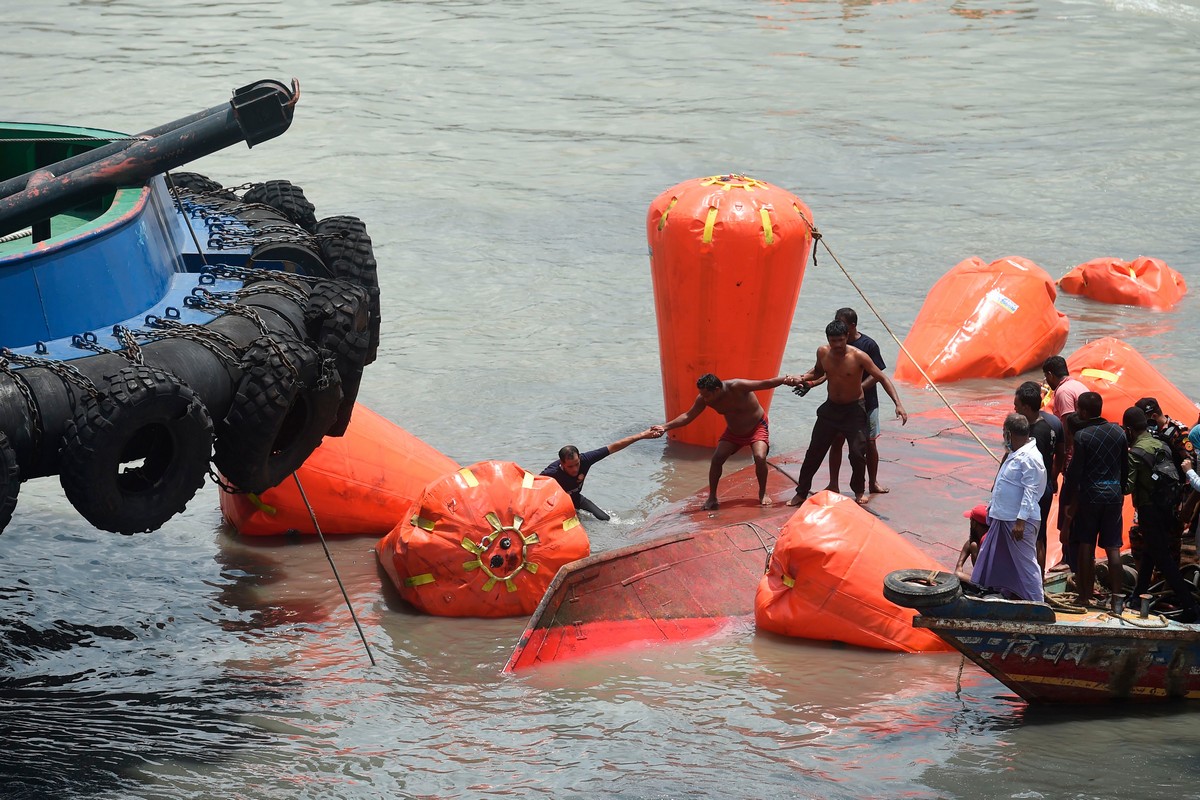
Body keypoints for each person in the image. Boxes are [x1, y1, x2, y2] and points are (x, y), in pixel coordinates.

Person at [787, 319, 908, 507]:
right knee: (813, 453)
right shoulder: (822, 352)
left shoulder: (859, 356)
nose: (837, 345)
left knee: (858, 453)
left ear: (847, 338)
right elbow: (818, 372)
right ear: (828, 339)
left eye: (841, 340)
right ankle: (801, 492)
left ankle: (859, 491)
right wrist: (802, 378)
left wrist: (898, 404)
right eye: (833, 341)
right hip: (831, 409)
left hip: (854, 410)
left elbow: (882, 377)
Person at [654, 373, 794, 510]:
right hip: (734, 432)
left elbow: (766, 383)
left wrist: (787, 379)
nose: (704, 398)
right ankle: (712, 497)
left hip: (757, 427)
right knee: (717, 459)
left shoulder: (737, 386)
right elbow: (688, 416)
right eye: (702, 394)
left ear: (717, 390)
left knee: (759, 457)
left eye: (707, 395)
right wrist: (665, 427)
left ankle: (763, 492)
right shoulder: (704, 398)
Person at [1123, 406, 1199, 622]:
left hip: (1149, 510)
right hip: (1167, 507)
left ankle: (1189, 605)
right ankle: (1138, 596)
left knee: (1163, 559)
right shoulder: (1161, 443)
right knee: (1149, 552)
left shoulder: (1135, 453)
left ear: (1129, 430)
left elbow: (1126, 488)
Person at [1061, 392, 1128, 611]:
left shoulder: (1084, 436)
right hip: (1114, 495)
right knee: (1113, 548)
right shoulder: (1119, 432)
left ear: (1083, 412)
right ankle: (1117, 599)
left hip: (1090, 495)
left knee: (1086, 545)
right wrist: (1121, 491)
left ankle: (1084, 596)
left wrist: (1069, 504)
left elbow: (1075, 474)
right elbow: (1125, 467)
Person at [970, 413, 1047, 601]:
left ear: (1009, 434)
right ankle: (1001, 595)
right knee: (996, 558)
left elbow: (1031, 491)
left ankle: (1038, 604)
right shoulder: (1015, 454)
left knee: (1026, 564)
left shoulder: (1030, 457)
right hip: (1004, 518)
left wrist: (1020, 522)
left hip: (1018, 522)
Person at [824, 308, 890, 497]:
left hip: (867, 402)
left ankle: (872, 482)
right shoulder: (834, 346)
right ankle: (833, 483)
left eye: (842, 323)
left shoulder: (867, 345)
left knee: (869, 444)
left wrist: (857, 388)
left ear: (852, 327)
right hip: (841, 404)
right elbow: (828, 372)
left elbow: (878, 375)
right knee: (836, 441)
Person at [541, 428, 663, 521]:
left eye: (577, 464)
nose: (575, 469)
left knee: (605, 519)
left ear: (579, 457)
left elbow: (614, 447)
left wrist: (642, 435)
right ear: (562, 464)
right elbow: (531, 489)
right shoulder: (551, 473)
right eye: (570, 466)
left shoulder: (586, 459)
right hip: (557, 503)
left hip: (576, 499)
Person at [1014, 381, 1059, 576]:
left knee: (1035, 538)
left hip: (1035, 491)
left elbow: (1031, 473)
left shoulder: (1033, 435)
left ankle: (1035, 580)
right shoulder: (1050, 425)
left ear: (1026, 406)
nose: (1014, 408)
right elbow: (1060, 453)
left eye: (1017, 405)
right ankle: (1035, 579)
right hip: (1046, 486)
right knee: (1040, 536)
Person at [1042, 355, 1087, 420]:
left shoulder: (1063, 391)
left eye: (1046, 376)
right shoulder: (1079, 385)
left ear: (1050, 375)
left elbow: (1068, 422)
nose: (1047, 380)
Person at [955, 504, 989, 582]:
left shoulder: (985, 541)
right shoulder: (991, 535)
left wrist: (958, 572)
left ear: (974, 523)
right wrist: (959, 565)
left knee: (958, 575)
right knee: (973, 543)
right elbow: (970, 541)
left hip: (989, 583)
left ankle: (979, 584)